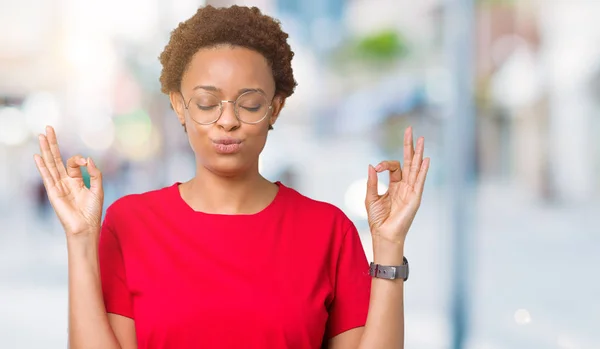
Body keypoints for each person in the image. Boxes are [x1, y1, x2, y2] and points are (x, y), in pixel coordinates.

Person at [33, 5, 430, 349]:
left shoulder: (329, 230)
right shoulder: (130, 224)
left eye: (251, 103)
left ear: (275, 108)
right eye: (206, 103)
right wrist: (81, 240)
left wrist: (390, 243)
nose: (227, 121)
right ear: (178, 106)